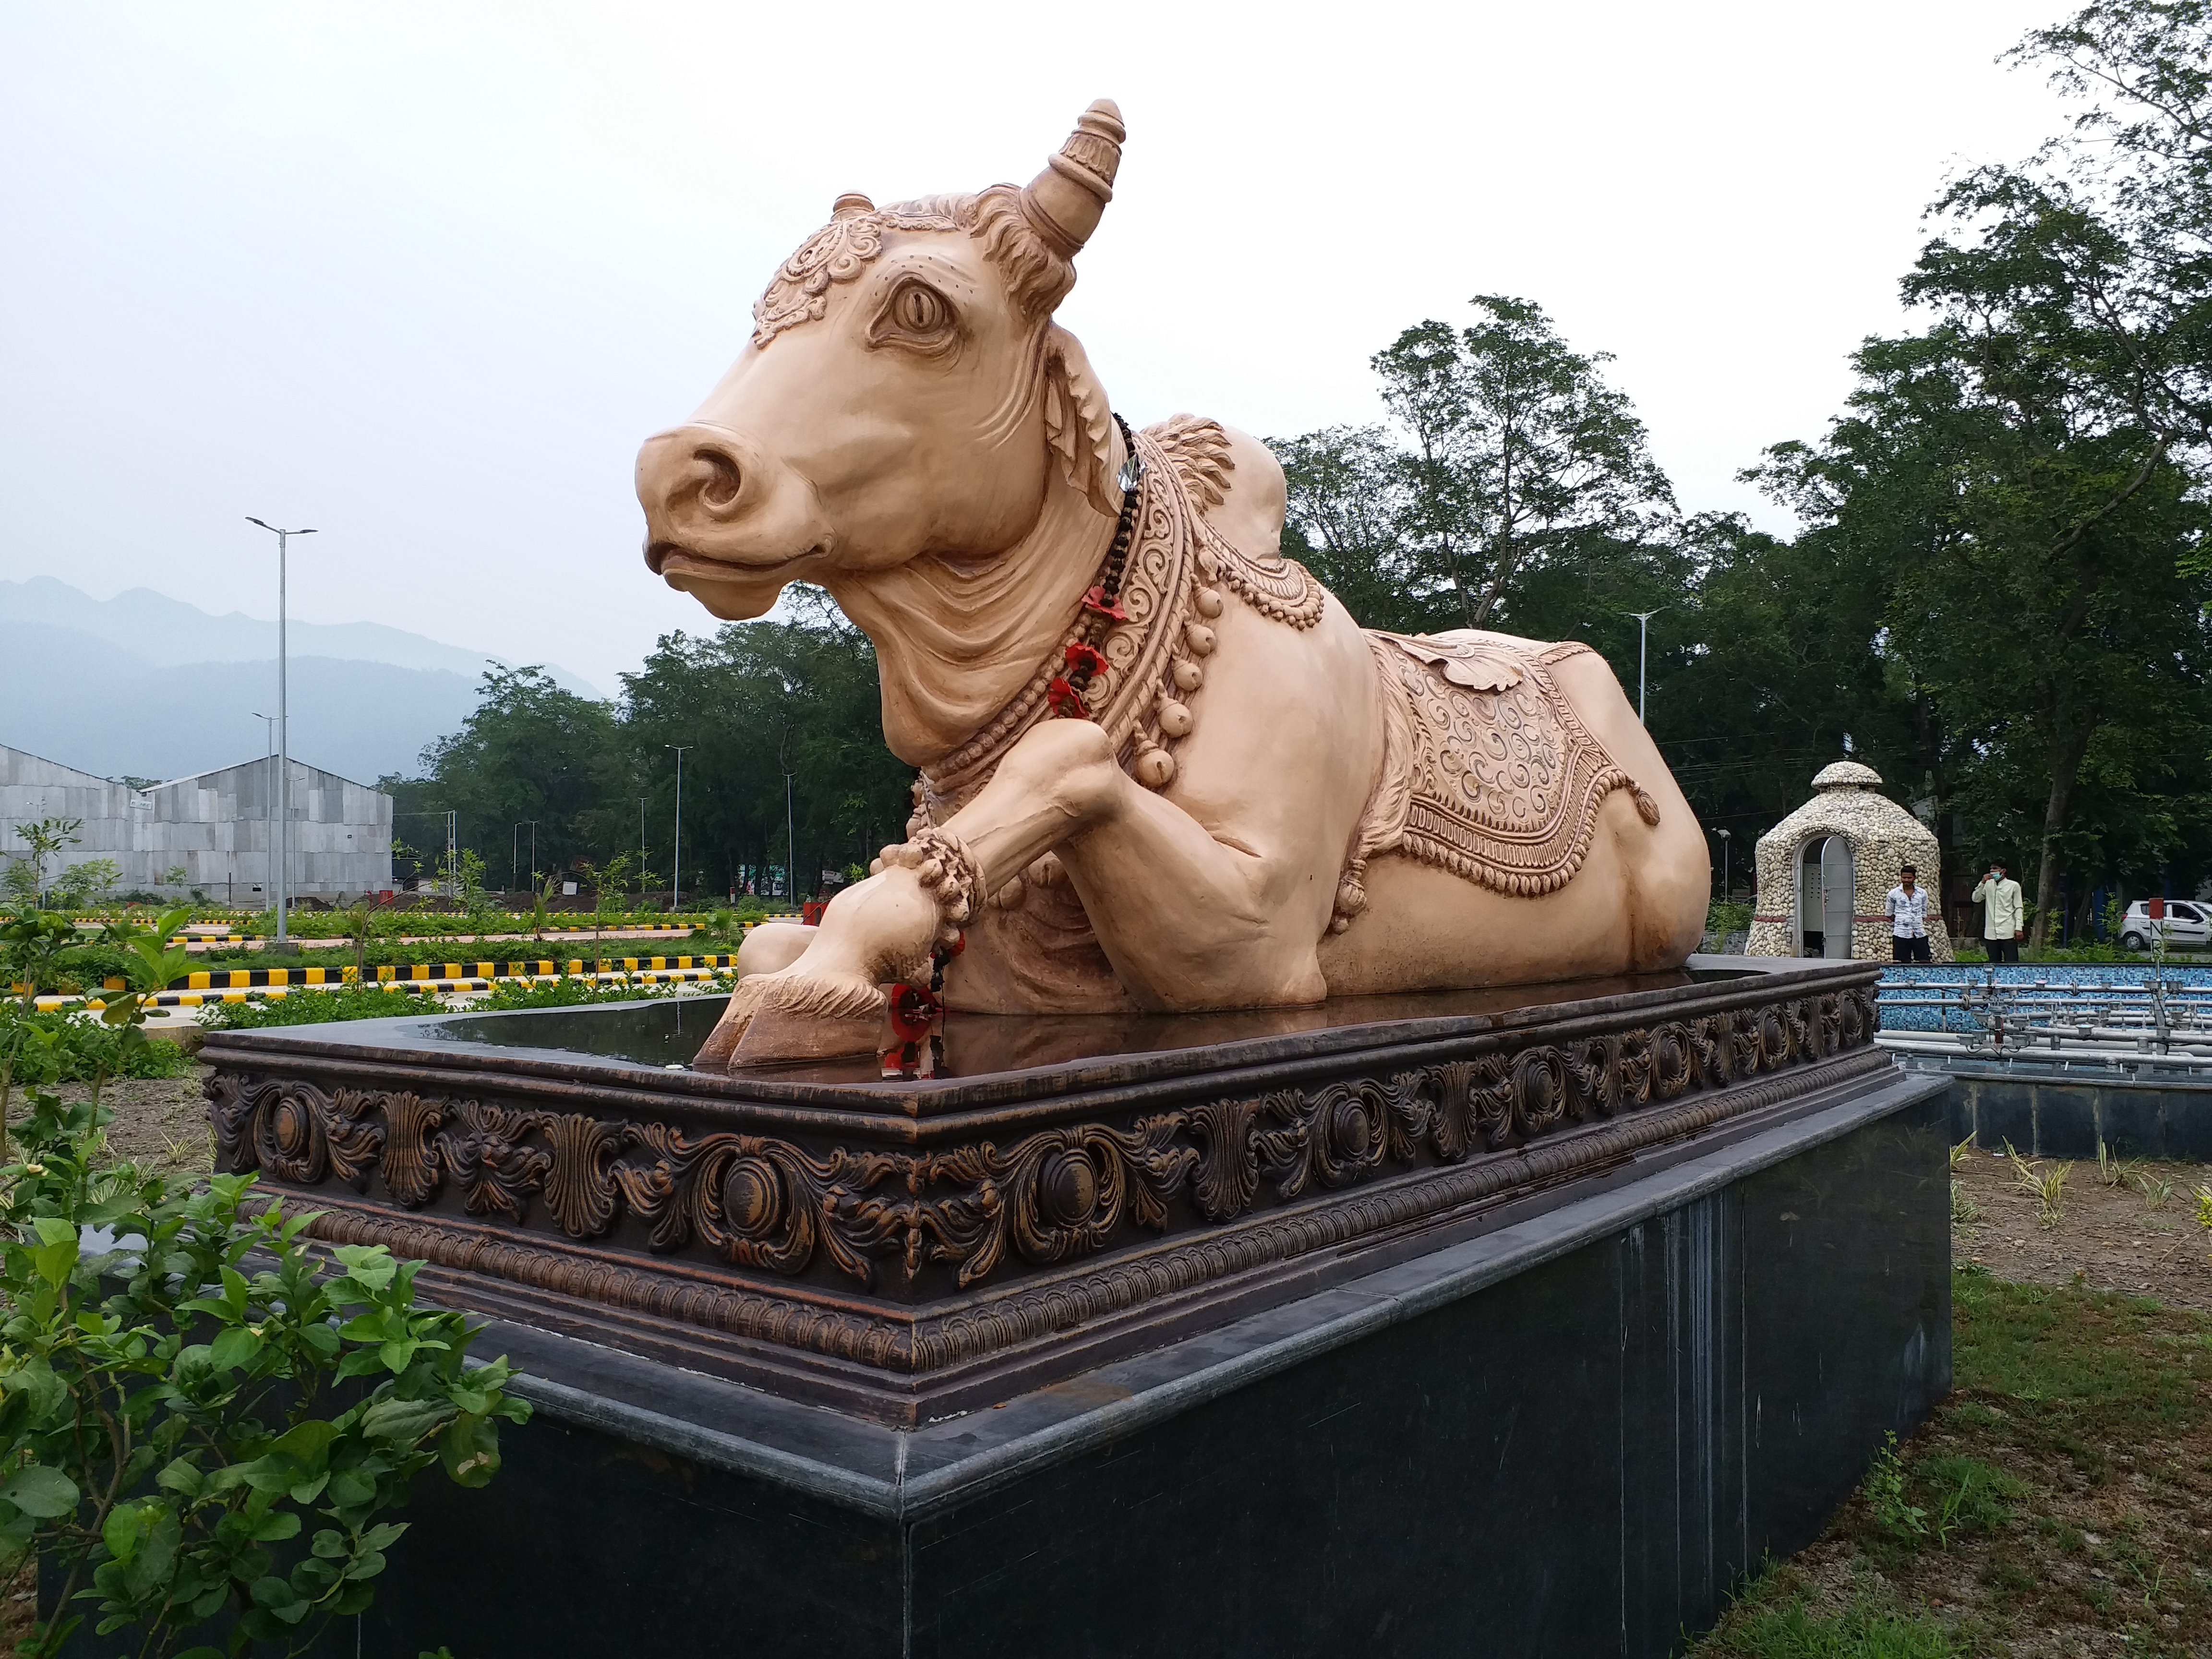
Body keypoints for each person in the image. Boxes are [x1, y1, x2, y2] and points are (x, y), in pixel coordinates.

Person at [1972, 858, 2025, 963]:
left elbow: (2018, 907)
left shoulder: (2013, 886)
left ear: (2003, 871)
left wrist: (2019, 928)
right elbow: (1976, 899)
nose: (1992, 871)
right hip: (1991, 933)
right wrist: (1982, 883)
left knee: (2012, 963)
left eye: (1995, 869)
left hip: (2008, 931)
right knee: (1994, 963)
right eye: (1991, 869)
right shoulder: (1987, 885)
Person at [1885, 863, 1932, 962]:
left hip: (1919, 933)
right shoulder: (1893, 894)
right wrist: (1902, 921)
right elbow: (1889, 914)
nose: (1906, 880)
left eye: (1909, 878)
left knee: (1924, 961)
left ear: (1914, 878)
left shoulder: (1922, 893)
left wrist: (1915, 920)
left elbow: (1924, 912)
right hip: (1900, 933)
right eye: (1904, 877)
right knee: (1901, 963)